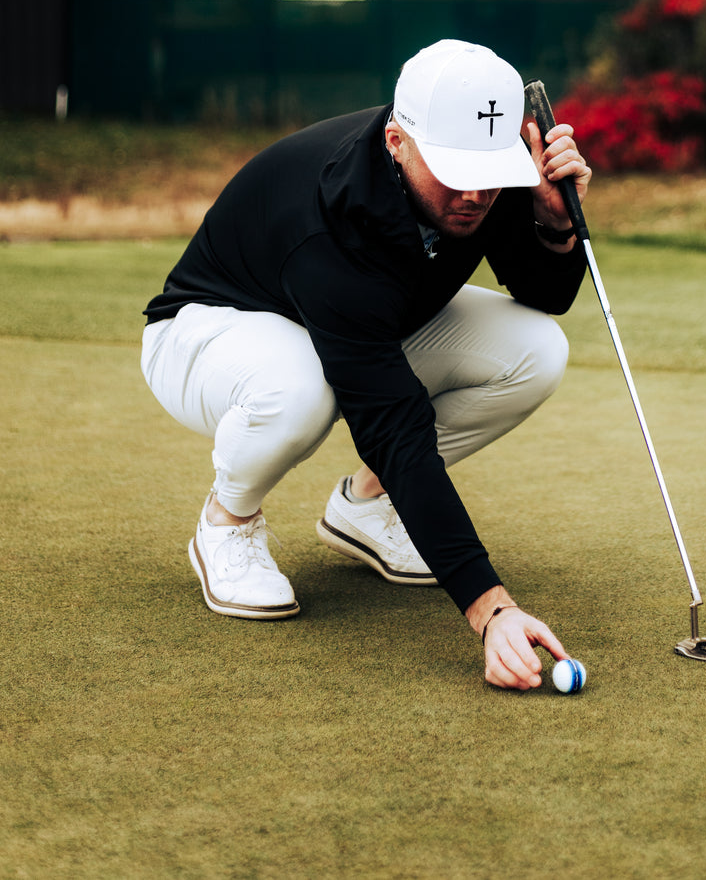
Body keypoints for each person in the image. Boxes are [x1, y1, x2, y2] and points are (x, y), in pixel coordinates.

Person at [141, 39, 591, 690]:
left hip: (358, 320)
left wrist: (554, 224)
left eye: (491, 172)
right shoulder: (333, 219)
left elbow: (546, 295)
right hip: (205, 333)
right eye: (453, 169)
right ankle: (228, 523)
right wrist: (492, 608)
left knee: (537, 350)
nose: (474, 193)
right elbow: (392, 422)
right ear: (396, 141)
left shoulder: (489, 174)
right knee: (302, 387)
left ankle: (365, 509)